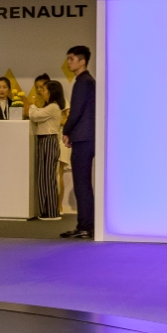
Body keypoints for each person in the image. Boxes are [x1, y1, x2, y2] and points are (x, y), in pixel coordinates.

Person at [61, 46, 96, 239]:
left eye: (72, 59)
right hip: (87, 137)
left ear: (82, 61)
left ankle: (85, 226)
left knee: (81, 184)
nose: (68, 62)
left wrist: (66, 130)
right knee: (83, 183)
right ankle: (86, 225)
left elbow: (76, 112)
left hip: (83, 138)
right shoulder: (88, 81)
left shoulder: (83, 82)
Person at [26, 78, 64, 221]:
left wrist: (32, 105)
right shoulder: (51, 106)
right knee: (44, 176)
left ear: (52, 92)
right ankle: (46, 210)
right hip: (45, 141)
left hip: (48, 140)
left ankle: (51, 211)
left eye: (45, 90)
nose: (43, 92)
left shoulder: (53, 107)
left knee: (47, 177)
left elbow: (34, 115)